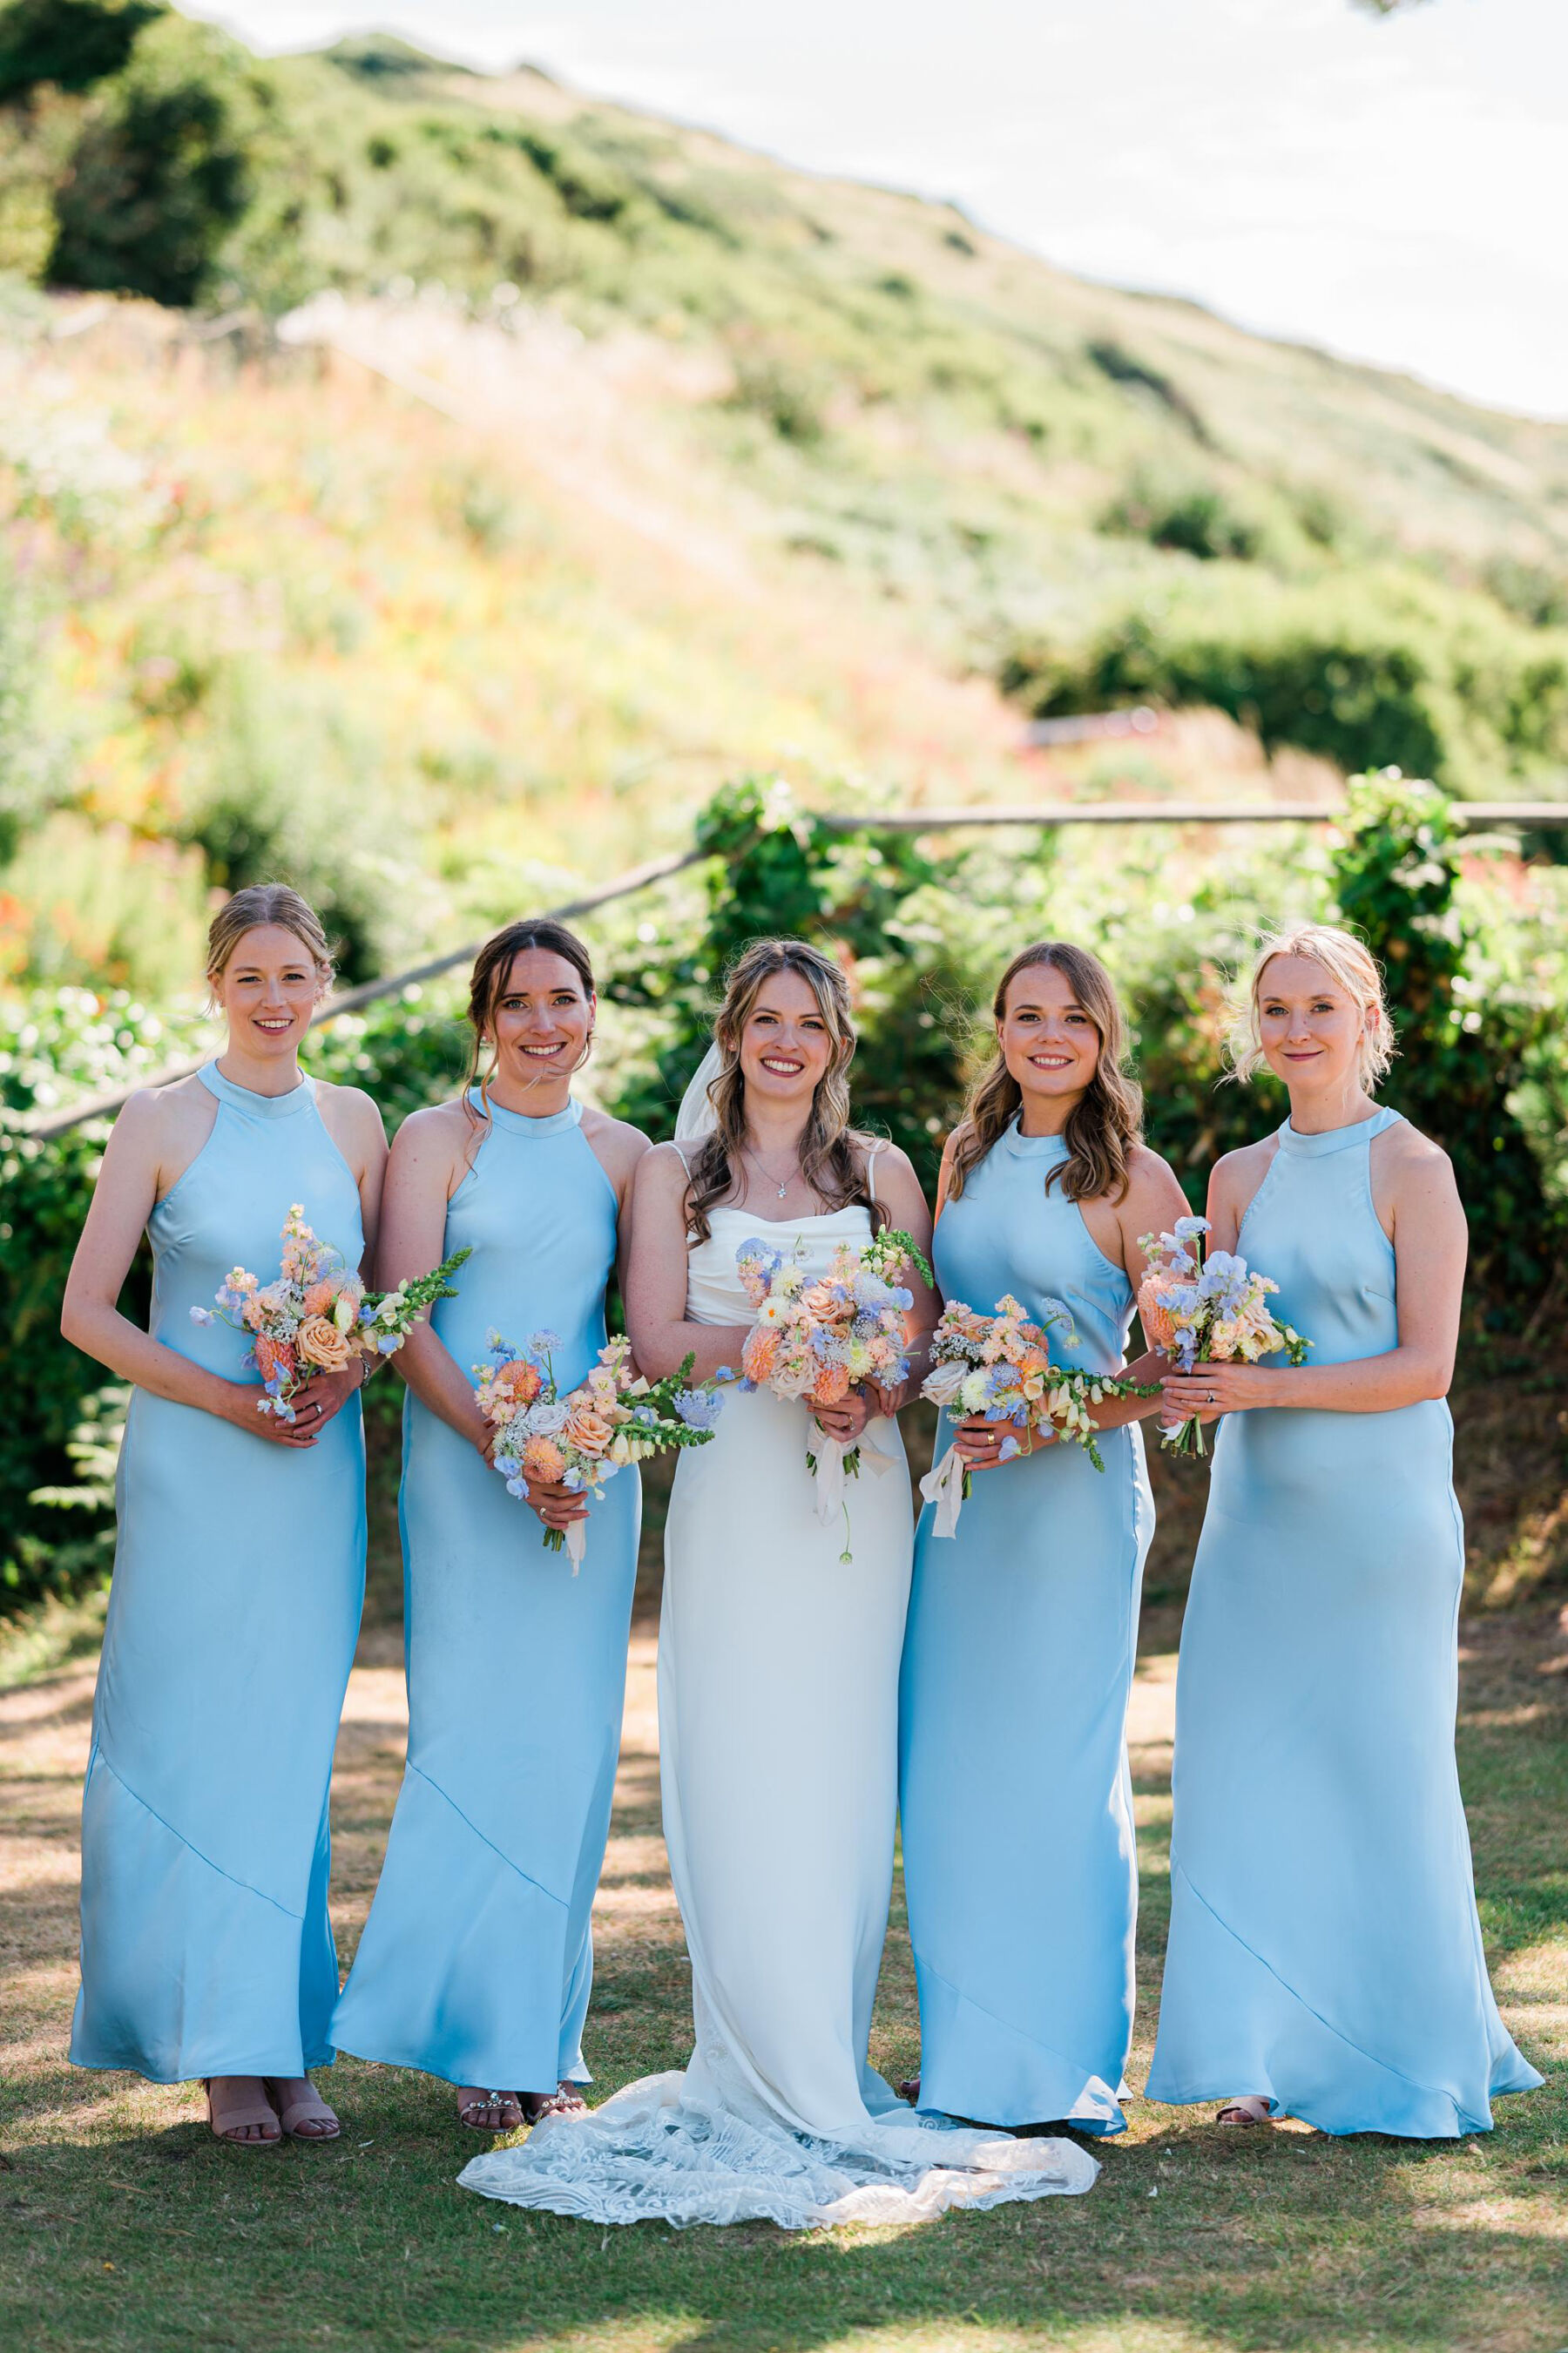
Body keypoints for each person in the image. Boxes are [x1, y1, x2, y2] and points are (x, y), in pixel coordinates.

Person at [457, 937, 1098, 2226]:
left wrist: (867, 1380)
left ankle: (828, 2054)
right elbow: (653, 1342)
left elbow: (923, 1335)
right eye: (766, 1019)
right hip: (734, 1497)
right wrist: (778, 1349)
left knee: (841, 1774)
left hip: (856, 1497)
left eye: (809, 1021)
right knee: (739, 1763)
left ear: (837, 1039)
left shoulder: (884, 1173)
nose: (787, 1042)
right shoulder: (668, 1174)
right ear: (735, 1032)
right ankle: (749, 2058)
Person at [1146, 923, 1542, 2136]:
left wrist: (1260, 1388)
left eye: (1322, 1004)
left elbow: (1427, 1367)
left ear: (1368, 1020)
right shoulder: (1235, 1179)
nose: (1298, 1026)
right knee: (1248, 1771)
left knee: (1381, 1773)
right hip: (1256, 1521)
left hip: (1377, 1525)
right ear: (1254, 1028)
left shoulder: (1412, 1167)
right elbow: (1211, 1339)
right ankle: (1261, 2055)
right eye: (1277, 1008)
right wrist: (1173, 1346)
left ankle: (1411, 2057)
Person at [62, 884, 385, 2147]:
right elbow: (93, 1311)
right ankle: (217, 2052)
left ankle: (284, 2038)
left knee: (290, 1746)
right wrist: (226, 1398)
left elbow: (389, 1299)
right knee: (196, 1736)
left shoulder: (355, 1123)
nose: (274, 998)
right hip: (197, 1468)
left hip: (312, 1464)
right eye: (250, 975)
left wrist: (333, 1372)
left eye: (295, 974)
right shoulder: (157, 1119)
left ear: (325, 981)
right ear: (216, 984)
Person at [329, 919, 649, 2133]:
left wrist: (583, 1446)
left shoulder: (626, 1154)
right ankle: (475, 2035)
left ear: (592, 1010)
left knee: (570, 1754)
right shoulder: (433, 1138)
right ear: (485, 1014)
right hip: (467, 1473)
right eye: (517, 1002)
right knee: (471, 1737)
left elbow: (642, 1318)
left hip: (588, 1481)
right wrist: (502, 1444)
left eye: (564, 998)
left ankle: (545, 2038)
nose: (542, 1023)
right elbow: (404, 1313)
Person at [898, 942, 1190, 2135]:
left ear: (1103, 1033)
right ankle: (969, 2055)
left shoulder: (1135, 1177)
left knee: (1062, 1774)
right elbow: (927, 1317)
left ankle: (1065, 2068)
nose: (1050, 1034)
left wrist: (1049, 1416)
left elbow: (1171, 1372)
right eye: (1028, 1014)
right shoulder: (961, 1157)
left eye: (1074, 1016)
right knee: (954, 1770)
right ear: (1001, 1030)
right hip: (965, 1503)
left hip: (1070, 1493)